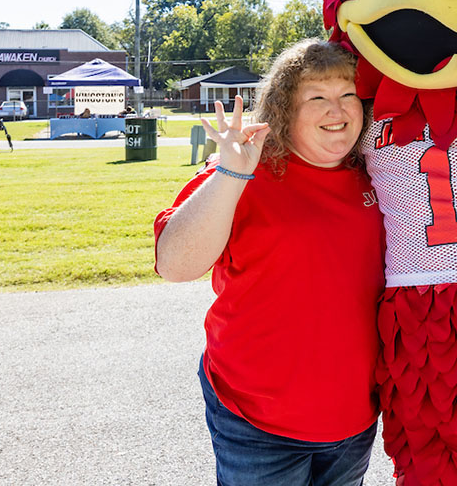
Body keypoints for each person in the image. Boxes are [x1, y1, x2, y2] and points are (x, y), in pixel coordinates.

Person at [153, 39, 384, 486]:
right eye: (316, 97)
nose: (336, 110)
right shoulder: (244, 170)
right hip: (256, 417)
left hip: (353, 419)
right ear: (282, 110)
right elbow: (175, 266)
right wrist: (231, 174)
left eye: (347, 95)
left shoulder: (379, 174)